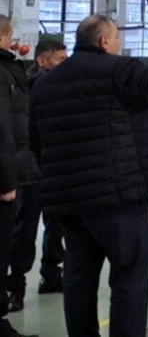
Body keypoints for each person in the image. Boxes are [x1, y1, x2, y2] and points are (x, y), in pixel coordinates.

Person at [29, 15, 148, 337]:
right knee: (130, 276)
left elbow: (36, 140)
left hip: (70, 202)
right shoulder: (118, 70)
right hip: (118, 196)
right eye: (116, 37)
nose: (119, 43)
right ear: (104, 42)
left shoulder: (45, 84)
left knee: (78, 277)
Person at [6, 39, 67, 314]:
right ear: (42, 61)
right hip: (32, 167)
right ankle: (15, 285)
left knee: (57, 222)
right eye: (59, 60)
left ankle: (51, 274)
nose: (65, 65)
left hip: (56, 165)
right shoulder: (27, 87)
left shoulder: (61, 87)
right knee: (25, 226)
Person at [0, 17, 37, 337]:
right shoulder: (3, 73)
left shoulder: (11, 70)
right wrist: (7, 180)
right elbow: (3, 126)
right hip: (7, 176)